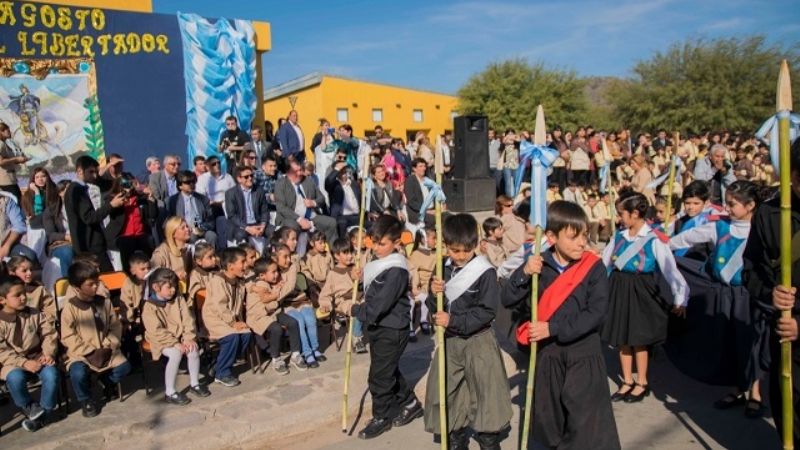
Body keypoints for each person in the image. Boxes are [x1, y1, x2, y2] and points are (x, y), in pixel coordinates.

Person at [502, 200, 620, 449]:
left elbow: (596, 312)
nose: (582, 243)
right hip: (548, 355)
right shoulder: (538, 263)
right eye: (573, 237)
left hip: (583, 353)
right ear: (552, 237)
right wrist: (524, 272)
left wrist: (553, 328)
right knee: (550, 420)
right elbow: (508, 298)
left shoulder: (593, 266)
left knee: (585, 423)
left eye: (585, 236)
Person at [669, 181, 765, 417]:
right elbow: (686, 239)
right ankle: (736, 387)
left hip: (749, 296)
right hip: (724, 294)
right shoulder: (718, 227)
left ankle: (756, 392)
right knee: (728, 341)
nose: (727, 208)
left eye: (732, 204)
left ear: (750, 205)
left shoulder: (762, 229)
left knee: (752, 342)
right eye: (726, 202)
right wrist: (661, 245)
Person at [423, 214, 512, 449]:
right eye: (454, 250)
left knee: (485, 392)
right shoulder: (441, 267)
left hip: (478, 340)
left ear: (475, 245)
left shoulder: (485, 272)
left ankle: (488, 439)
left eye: (466, 250)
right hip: (450, 341)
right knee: (450, 391)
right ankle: (456, 435)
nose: (460, 256)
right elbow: (433, 308)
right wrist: (434, 295)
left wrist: (453, 319)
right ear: (446, 246)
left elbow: (486, 311)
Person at [601, 191, 688, 403]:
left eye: (622, 214)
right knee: (622, 338)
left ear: (635, 213)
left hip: (641, 289)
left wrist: (680, 297)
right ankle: (627, 380)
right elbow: (604, 264)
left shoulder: (654, 239)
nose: (619, 218)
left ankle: (641, 382)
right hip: (619, 288)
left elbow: (670, 270)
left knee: (638, 339)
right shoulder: (618, 236)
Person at [744, 138, 800, 445]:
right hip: (784, 336)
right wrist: (769, 293)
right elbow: (750, 270)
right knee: (789, 414)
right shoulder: (769, 214)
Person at [349, 215, 419, 439]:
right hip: (379, 328)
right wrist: (359, 278)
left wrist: (354, 310)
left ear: (397, 243)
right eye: (374, 242)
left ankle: (382, 416)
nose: (377, 248)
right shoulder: (377, 262)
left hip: (392, 328)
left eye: (383, 243)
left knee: (378, 377)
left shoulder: (397, 269)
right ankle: (410, 403)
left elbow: (378, 305)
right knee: (387, 369)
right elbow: (373, 285)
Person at [60, 261, 131, 417]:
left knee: (124, 367)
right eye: (90, 284)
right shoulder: (70, 308)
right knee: (77, 373)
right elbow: (68, 335)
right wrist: (89, 351)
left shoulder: (104, 302)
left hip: (106, 348)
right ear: (77, 288)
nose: (95, 287)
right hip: (82, 353)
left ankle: (107, 382)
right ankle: (86, 400)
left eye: (96, 283)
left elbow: (115, 325)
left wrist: (109, 344)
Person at [141, 267, 210, 405]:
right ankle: (170, 392)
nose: (173, 290)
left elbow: (187, 319)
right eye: (169, 287)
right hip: (161, 340)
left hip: (180, 336)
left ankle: (194, 384)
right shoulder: (149, 307)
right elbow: (156, 331)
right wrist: (173, 343)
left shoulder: (178, 299)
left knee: (193, 349)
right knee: (175, 354)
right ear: (156, 287)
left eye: (174, 286)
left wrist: (188, 337)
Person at [0, 275, 59, 432]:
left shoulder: (35, 313)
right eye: (17, 295)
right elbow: (1, 351)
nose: (23, 297)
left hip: (38, 356)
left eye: (24, 293)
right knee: (15, 378)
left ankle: (44, 413)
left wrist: (48, 353)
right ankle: (29, 406)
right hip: (13, 363)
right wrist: (24, 363)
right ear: (2, 300)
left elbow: (49, 334)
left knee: (51, 375)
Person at [64, 156, 125, 272]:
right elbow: (89, 217)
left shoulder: (81, 188)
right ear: (80, 171)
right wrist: (111, 205)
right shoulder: (76, 190)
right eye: (91, 172)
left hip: (92, 245)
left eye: (96, 172)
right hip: (89, 247)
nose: (95, 176)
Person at [246, 257, 305, 374]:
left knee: (293, 323)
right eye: (273, 272)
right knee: (276, 329)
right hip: (258, 317)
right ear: (262, 275)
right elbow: (265, 305)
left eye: (277, 271)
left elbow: (273, 302)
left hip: (273, 313)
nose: (276, 274)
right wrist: (276, 297)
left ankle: (295, 354)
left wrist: (278, 290)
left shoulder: (269, 283)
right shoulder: (260, 286)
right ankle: (276, 359)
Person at [202, 247, 251, 387]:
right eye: (242, 262)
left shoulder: (240, 282)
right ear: (230, 266)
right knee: (232, 337)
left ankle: (219, 364)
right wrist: (233, 323)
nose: (245, 265)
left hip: (231, 320)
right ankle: (222, 373)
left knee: (246, 334)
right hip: (215, 320)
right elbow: (220, 306)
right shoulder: (218, 281)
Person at [272, 239, 324, 367]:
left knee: (310, 319)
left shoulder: (293, 267)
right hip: (287, 305)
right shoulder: (274, 273)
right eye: (285, 257)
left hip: (302, 301)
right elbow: (277, 294)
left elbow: (295, 284)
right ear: (275, 259)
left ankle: (315, 348)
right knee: (299, 322)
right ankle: (307, 353)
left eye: (289, 256)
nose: (289, 260)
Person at [317, 238, 366, 353]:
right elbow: (325, 294)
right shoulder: (333, 274)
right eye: (346, 253)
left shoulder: (356, 267)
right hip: (343, 302)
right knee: (356, 309)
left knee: (371, 305)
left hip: (360, 296)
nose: (350, 256)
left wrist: (359, 278)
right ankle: (357, 338)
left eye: (351, 252)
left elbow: (363, 283)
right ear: (337, 256)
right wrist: (325, 305)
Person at [274, 159, 338, 244]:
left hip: (311, 217)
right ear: (288, 172)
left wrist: (313, 202)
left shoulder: (308, 180)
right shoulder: (281, 184)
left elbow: (321, 198)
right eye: (296, 171)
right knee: (293, 226)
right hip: (291, 218)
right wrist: (299, 219)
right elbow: (281, 207)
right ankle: (294, 254)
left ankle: (334, 251)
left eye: (300, 170)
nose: (299, 173)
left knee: (331, 222)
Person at [105, 173, 158, 271]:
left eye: (131, 185)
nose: (129, 189)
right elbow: (110, 212)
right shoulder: (113, 199)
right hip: (122, 236)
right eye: (126, 185)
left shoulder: (140, 198)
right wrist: (120, 200)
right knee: (126, 243)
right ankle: (128, 272)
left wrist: (151, 198)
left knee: (148, 240)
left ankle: (151, 271)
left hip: (140, 234)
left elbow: (152, 216)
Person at [168, 170, 217, 246]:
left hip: (201, 228)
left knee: (212, 236)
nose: (191, 184)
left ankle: (210, 257)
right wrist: (186, 229)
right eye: (188, 182)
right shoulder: (172, 201)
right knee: (192, 237)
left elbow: (211, 221)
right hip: (184, 230)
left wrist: (200, 228)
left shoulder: (203, 199)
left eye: (193, 182)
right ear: (180, 186)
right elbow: (169, 222)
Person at [225, 165, 270, 247]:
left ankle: (267, 256)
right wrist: (248, 228)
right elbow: (232, 216)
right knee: (240, 235)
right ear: (239, 179)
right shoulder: (231, 193)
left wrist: (263, 226)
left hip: (257, 223)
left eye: (251, 175)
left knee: (274, 231)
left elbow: (265, 211)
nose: (250, 178)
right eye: (246, 177)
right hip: (241, 225)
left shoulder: (259, 191)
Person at [7, 256, 56, 323]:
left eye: (31, 269)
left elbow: (51, 309)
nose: (29, 273)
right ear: (12, 273)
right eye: (24, 271)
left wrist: (39, 320)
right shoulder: (5, 292)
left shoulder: (39, 290)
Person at [42, 180, 74, 277]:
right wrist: (67, 237)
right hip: (61, 243)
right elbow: (51, 235)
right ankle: (67, 283)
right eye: (68, 190)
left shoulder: (81, 207)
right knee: (66, 252)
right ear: (60, 192)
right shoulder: (51, 211)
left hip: (79, 241)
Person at [408, 228, 435, 341]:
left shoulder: (436, 253)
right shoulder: (416, 254)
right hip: (413, 286)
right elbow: (412, 272)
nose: (436, 240)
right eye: (433, 238)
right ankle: (409, 328)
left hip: (428, 286)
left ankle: (423, 320)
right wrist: (413, 287)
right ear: (424, 239)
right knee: (411, 303)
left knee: (427, 298)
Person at [151, 217, 193, 282]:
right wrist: (174, 274)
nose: (187, 229)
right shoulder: (161, 252)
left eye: (187, 226)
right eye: (183, 228)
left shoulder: (191, 248)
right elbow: (154, 273)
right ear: (173, 233)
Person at [326, 165, 362, 238]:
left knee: (371, 224)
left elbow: (360, 198)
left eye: (344, 172)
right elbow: (328, 182)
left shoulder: (354, 183)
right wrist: (336, 169)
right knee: (342, 224)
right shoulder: (334, 186)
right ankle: (343, 246)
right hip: (342, 217)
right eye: (340, 172)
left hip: (356, 216)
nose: (343, 174)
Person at [149, 154, 181, 236]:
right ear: (165, 165)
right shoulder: (155, 177)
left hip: (180, 209)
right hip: (164, 209)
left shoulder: (181, 177)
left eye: (178, 164)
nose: (176, 166)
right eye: (173, 164)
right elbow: (157, 196)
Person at [0, 122, 29, 200]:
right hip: (6, 181)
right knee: (17, 203)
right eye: (5, 129)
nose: (8, 131)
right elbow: (1, 162)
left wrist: (19, 160)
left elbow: (8, 160)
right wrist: (16, 159)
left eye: (8, 129)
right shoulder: (1, 144)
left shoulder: (5, 144)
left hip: (10, 180)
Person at [404, 158, 437, 228]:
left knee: (448, 216)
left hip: (432, 209)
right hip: (418, 212)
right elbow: (411, 202)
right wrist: (426, 211)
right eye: (420, 166)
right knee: (434, 220)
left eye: (424, 166)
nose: (423, 168)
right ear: (414, 169)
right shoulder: (410, 181)